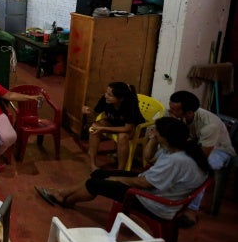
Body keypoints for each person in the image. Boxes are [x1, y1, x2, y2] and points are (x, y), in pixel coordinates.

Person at [35, 117, 210, 220]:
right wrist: (153, 139)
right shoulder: (177, 147)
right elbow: (149, 159)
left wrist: (117, 179)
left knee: (96, 183)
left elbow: (144, 183)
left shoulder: (177, 160)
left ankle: (65, 199)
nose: (154, 132)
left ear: (167, 137)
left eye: (157, 131)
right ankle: (61, 193)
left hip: (154, 202)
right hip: (152, 186)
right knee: (98, 173)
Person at [166, 90, 235, 226]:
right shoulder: (173, 113)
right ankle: (167, 196)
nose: (170, 111)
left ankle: (192, 211)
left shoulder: (209, 126)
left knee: (198, 168)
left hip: (219, 150)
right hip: (195, 144)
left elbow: (202, 157)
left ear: (189, 113)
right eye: (170, 107)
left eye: (174, 110)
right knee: (166, 154)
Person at [82, 82, 145, 171]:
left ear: (121, 99)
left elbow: (127, 128)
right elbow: (95, 112)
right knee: (94, 127)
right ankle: (92, 164)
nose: (106, 96)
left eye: (110, 95)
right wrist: (88, 111)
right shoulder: (105, 99)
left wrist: (103, 128)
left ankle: (120, 170)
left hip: (132, 129)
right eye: (106, 93)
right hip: (114, 123)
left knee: (122, 136)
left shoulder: (129, 105)